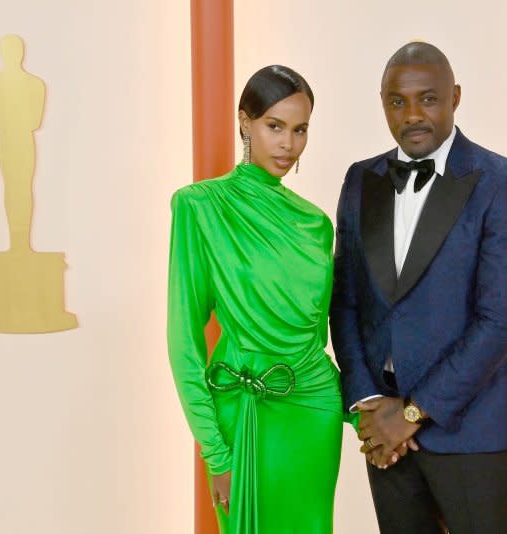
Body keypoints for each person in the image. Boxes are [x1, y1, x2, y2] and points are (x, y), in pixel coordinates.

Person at [330, 42, 507, 533]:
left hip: (472, 433)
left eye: (428, 98)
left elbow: (501, 320)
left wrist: (414, 412)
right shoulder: (362, 180)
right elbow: (345, 301)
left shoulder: (502, 181)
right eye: (397, 101)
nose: (413, 115)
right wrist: (367, 403)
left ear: (456, 97)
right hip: (384, 435)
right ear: (382, 103)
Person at [168, 65, 347, 534]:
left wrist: (370, 412)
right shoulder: (199, 207)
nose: (288, 143)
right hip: (239, 414)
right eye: (275, 126)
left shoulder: (316, 224)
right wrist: (215, 451)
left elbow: (323, 333)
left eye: (300, 129)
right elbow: (183, 341)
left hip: (312, 412)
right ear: (245, 122)